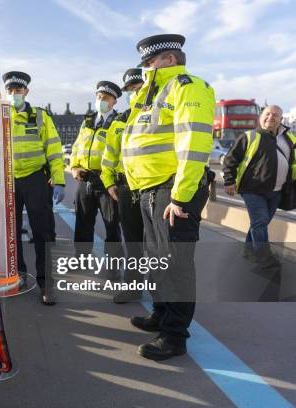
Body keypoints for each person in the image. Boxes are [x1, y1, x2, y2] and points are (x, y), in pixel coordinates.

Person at [121, 34, 215, 361]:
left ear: (169, 60)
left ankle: (175, 335)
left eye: (149, 63)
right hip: (151, 189)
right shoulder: (153, 94)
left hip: (174, 189)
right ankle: (161, 313)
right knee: (157, 258)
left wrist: (181, 196)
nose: (145, 69)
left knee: (176, 264)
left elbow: (194, 144)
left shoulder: (187, 87)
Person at [3, 71, 65, 305]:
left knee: (43, 232)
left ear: (26, 92)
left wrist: (58, 180)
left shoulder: (40, 117)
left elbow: (54, 150)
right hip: (8, 181)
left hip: (36, 179)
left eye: (18, 91)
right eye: (10, 91)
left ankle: (46, 284)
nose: (14, 95)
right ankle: (18, 275)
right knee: (11, 233)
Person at [223, 105, 296, 268]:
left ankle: (249, 250)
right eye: (267, 114)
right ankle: (264, 257)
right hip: (252, 190)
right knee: (260, 222)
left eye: (276, 115)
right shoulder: (249, 136)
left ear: (281, 120)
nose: (271, 117)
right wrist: (229, 181)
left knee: (259, 223)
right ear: (260, 117)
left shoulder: (290, 139)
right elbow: (230, 160)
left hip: (277, 191)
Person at [100, 68, 145, 303]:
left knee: (160, 245)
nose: (133, 92)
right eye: (129, 89)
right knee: (133, 242)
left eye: (137, 87)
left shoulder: (162, 113)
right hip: (126, 188)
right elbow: (110, 155)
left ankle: (163, 295)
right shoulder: (119, 120)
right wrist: (109, 182)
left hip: (155, 187)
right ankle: (133, 286)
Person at [70, 81, 122, 278]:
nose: (101, 100)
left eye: (106, 98)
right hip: (85, 179)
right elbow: (77, 147)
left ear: (114, 102)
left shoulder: (119, 122)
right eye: (99, 96)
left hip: (107, 182)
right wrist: (74, 166)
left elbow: (121, 153)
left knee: (112, 227)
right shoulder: (88, 121)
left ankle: (113, 270)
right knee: (83, 224)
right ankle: (81, 261)